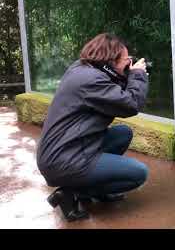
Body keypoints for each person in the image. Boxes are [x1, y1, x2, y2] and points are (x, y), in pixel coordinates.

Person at [36, 33, 149, 221]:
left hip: (63, 150)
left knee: (123, 133)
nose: (129, 64)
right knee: (139, 173)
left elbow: (111, 88)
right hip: (65, 159)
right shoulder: (91, 80)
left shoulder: (81, 69)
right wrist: (137, 76)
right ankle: (71, 193)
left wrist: (127, 73)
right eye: (126, 60)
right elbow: (131, 104)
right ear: (110, 61)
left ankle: (95, 191)